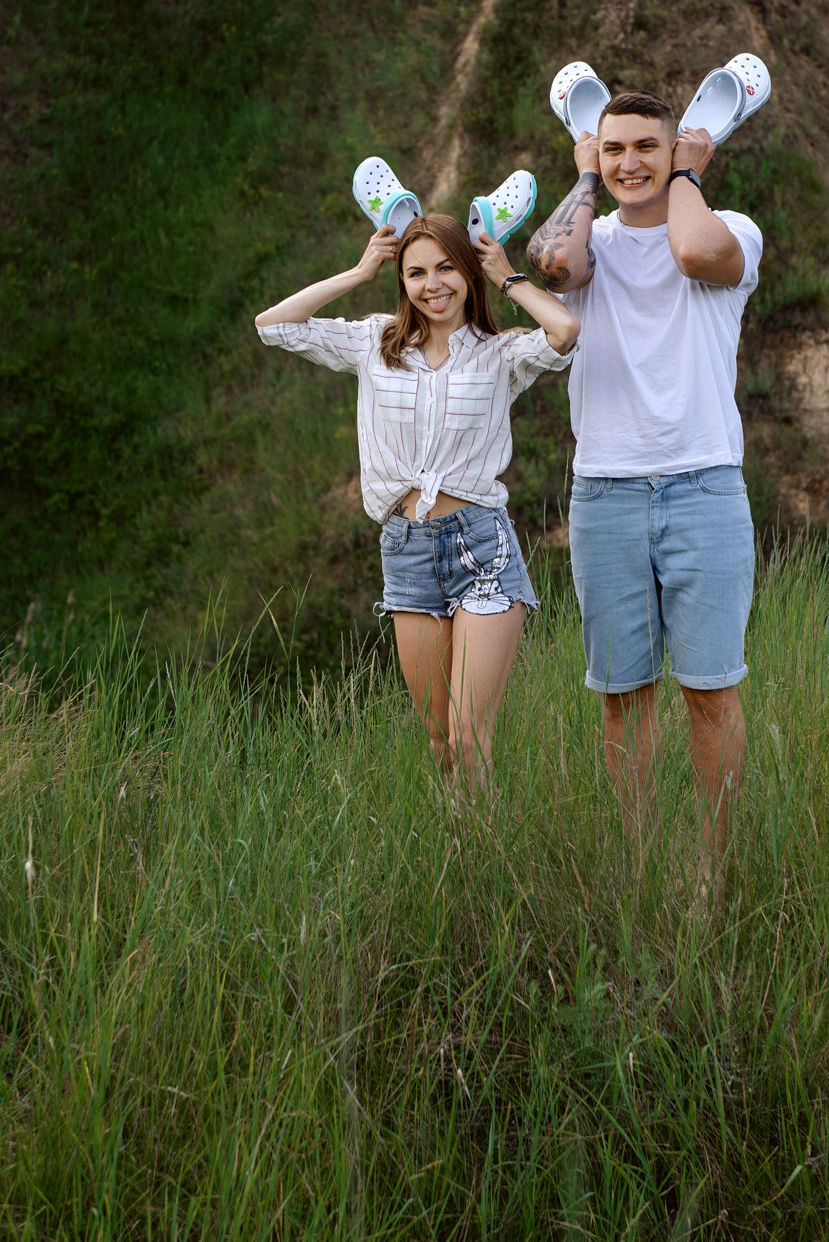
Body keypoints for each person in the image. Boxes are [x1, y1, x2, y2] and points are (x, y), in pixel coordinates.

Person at [523, 90, 762, 884]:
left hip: (705, 489)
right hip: (607, 496)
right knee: (623, 697)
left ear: (678, 152)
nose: (630, 162)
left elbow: (695, 256)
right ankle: (638, 861)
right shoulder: (585, 239)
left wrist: (690, 174)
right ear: (594, 153)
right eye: (614, 147)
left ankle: (713, 868)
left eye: (647, 148)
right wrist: (584, 176)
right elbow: (551, 265)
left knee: (711, 694)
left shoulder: (730, 233)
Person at [254, 211, 579, 787]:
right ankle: (462, 855)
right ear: (401, 282)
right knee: (439, 738)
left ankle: (485, 867)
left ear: (468, 272)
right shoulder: (373, 342)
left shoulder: (499, 353)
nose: (434, 285)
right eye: (417, 273)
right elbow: (274, 324)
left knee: (469, 733)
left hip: (482, 547)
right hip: (405, 550)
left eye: (447, 268)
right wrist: (360, 272)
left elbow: (563, 332)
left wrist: (507, 276)